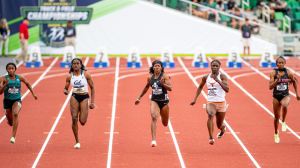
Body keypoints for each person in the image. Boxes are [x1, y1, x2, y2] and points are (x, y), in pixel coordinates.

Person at [190, 59, 229, 145]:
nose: (214, 67)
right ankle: (211, 137)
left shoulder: (222, 76)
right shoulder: (205, 77)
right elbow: (200, 87)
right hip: (211, 101)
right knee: (210, 115)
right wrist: (195, 99)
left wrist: (218, 80)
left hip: (221, 102)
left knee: (219, 125)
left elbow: (227, 89)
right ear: (210, 66)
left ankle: (223, 129)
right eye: (213, 66)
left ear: (219, 67)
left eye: (216, 66)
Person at [135, 60, 172, 147]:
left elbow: (170, 88)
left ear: (161, 68)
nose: (157, 67)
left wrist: (163, 84)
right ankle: (153, 140)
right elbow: (146, 87)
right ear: (153, 67)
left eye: (158, 66)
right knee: (154, 117)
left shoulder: (165, 76)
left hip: (164, 101)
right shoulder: (150, 77)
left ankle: (163, 116)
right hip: (154, 100)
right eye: (155, 66)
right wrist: (139, 98)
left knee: (165, 123)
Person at [0, 63, 37, 144]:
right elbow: (0, 92)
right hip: (7, 101)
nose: (11, 70)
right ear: (7, 70)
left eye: (12, 68)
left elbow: (27, 84)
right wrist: (5, 85)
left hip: (17, 100)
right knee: (10, 122)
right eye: (9, 69)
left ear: (15, 69)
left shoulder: (19, 77)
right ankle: (8, 116)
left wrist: (33, 94)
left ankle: (13, 136)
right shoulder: (3, 79)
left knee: (16, 114)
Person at [63, 58, 95, 149]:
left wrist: (92, 102)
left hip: (84, 97)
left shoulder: (86, 74)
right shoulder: (69, 76)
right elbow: (66, 87)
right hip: (74, 96)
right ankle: (77, 141)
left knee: (82, 122)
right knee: (74, 118)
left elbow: (92, 88)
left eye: (77, 63)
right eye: (74, 64)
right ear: (72, 65)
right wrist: (65, 90)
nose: (76, 65)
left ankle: (82, 109)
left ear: (81, 65)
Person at [269, 56, 300, 143]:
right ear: (276, 64)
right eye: (279, 62)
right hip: (276, 96)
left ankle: (283, 121)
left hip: (285, 95)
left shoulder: (289, 73)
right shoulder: (273, 73)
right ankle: (276, 133)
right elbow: (270, 87)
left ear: (285, 63)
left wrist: (297, 94)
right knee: (276, 116)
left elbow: (294, 82)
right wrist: (277, 81)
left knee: (285, 104)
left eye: (282, 62)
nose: (280, 64)